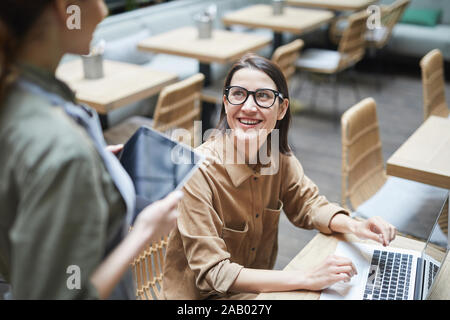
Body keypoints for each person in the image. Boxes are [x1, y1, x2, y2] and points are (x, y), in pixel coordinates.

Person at [162, 54, 397, 299]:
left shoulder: (278, 158)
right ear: (226, 102)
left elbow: (308, 205)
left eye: (263, 96)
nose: (249, 107)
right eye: (238, 94)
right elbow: (216, 272)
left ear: (282, 108)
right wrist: (308, 277)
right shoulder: (196, 171)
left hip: (256, 291)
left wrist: (356, 225)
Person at [0, 0, 182, 299]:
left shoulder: (17, 96)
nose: (105, 10)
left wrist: (93, 169)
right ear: (64, 7)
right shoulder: (63, 151)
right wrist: (144, 233)